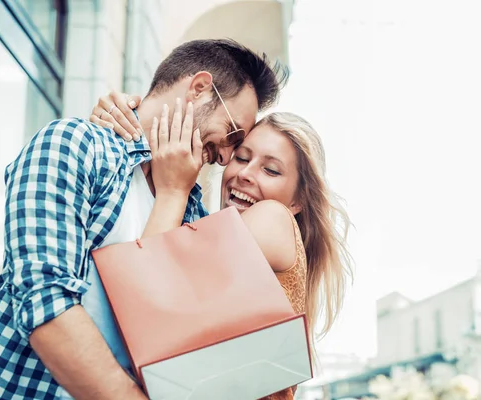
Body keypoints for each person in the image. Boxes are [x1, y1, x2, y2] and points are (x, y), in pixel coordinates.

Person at [0, 39, 285, 400]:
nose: (226, 156)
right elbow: (43, 298)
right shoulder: (75, 145)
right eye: (232, 134)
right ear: (199, 90)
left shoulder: (193, 212)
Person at [100, 95, 353, 399]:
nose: (245, 174)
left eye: (270, 170)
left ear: (298, 201)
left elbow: (148, 295)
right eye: (242, 158)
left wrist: (173, 191)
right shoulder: (212, 234)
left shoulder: (271, 218)